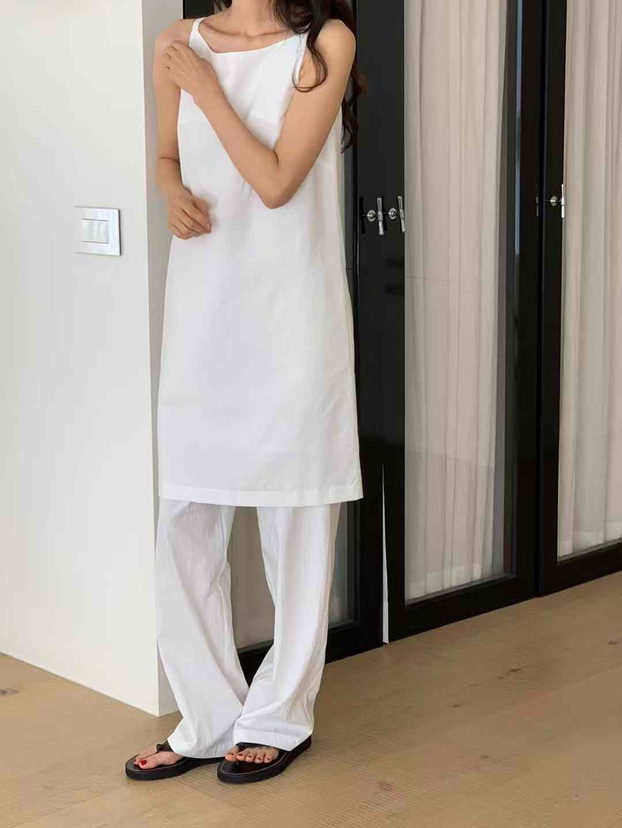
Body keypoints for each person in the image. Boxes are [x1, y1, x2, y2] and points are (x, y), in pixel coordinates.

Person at [125, 0, 365, 785]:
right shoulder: (176, 43)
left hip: (292, 316)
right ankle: (209, 718)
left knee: (297, 521)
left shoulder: (324, 43)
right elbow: (168, 156)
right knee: (184, 522)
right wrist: (169, 191)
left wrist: (206, 88)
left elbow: (276, 181)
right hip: (205, 315)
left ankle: (278, 719)